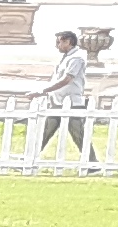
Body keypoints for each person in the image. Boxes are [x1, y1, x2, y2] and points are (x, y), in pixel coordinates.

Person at [35, 29, 93, 163]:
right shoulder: (66, 57)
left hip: (72, 103)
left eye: (58, 42)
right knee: (45, 133)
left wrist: (42, 91)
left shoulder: (76, 58)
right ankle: (30, 158)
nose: (57, 45)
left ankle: (92, 162)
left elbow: (67, 80)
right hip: (58, 102)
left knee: (78, 134)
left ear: (68, 42)